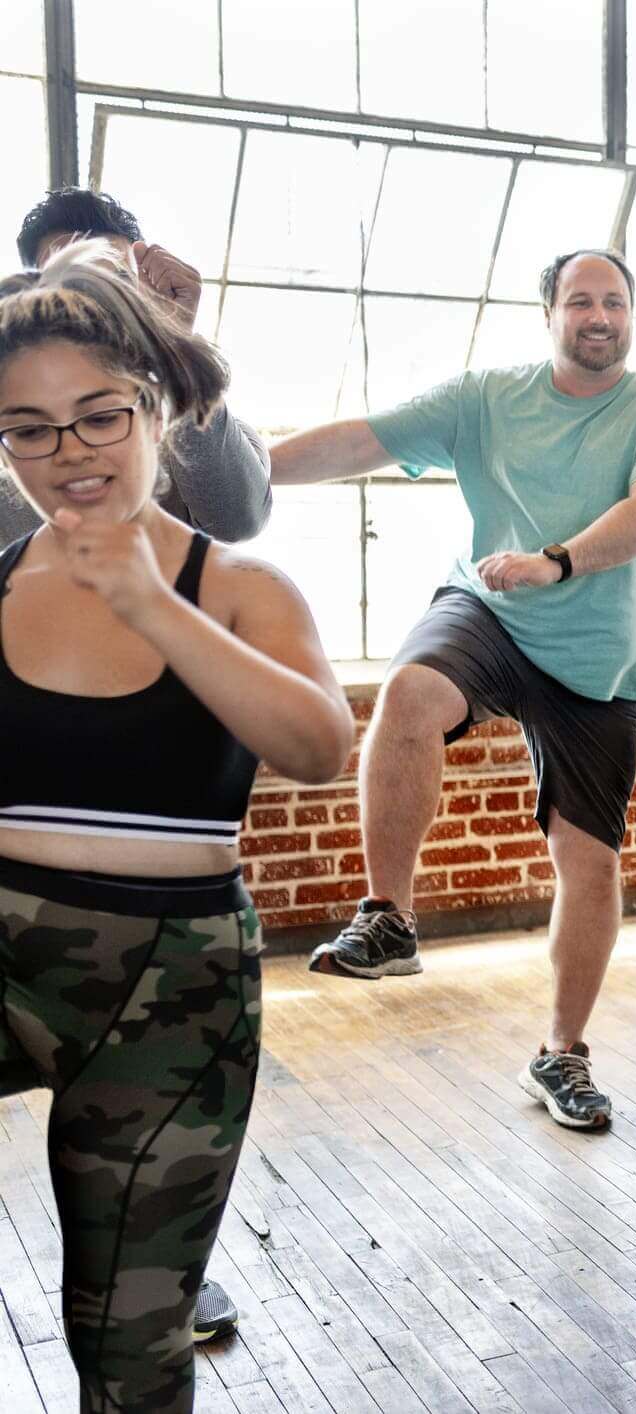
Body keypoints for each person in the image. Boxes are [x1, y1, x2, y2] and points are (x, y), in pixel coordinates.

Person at [0, 248, 354, 1409]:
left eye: (98, 416)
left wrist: (147, 599)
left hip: (176, 982)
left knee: (131, 1336)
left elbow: (315, 747)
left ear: (154, 407)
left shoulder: (242, 586)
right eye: (30, 430)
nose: (69, 454)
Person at [269, 248, 636, 1132]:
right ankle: (389, 916)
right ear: (548, 312)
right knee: (408, 695)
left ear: (631, 313)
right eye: (580, 300)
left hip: (595, 658)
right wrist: (238, 475)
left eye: (614, 301)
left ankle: (562, 1053)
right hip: (491, 610)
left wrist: (558, 562)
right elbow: (362, 438)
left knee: (588, 863)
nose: (599, 316)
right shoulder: (485, 399)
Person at [16, 188, 282, 1346]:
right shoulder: (27, 417)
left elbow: (239, 508)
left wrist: (176, 343)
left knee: (132, 1324)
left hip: (173, 942)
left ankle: (156, 1260)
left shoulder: (164, 433)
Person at [4, 187, 272, 547]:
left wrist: (174, 345)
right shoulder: (10, 432)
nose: (97, 302)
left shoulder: (201, 424)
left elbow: (239, 519)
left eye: (116, 282)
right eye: (70, 284)